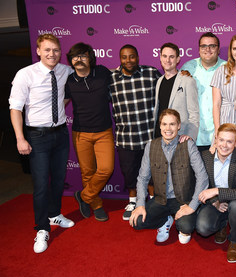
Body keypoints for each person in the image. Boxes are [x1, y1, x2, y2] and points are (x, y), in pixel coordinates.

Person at [9, 34, 74, 253]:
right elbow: (16, 108)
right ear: (38, 51)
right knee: (40, 185)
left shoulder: (66, 71)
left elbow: (67, 93)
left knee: (58, 180)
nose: (52, 54)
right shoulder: (25, 74)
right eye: (47, 50)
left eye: (55, 50)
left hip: (60, 134)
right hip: (37, 137)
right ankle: (42, 228)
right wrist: (20, 138)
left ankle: (55, 214)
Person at [129, 109, 208, 244]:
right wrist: (140, 204)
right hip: (161, 199)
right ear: (159, 126)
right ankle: (165, 221)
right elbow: (142, 178)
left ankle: (183, 224)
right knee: (137, 222)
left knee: (186, 227)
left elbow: (203, 177)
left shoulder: (188, 144)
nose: (168, 128)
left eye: (172, 124)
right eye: (164, 124)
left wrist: (192, 206)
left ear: (178, 126)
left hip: (184, 201)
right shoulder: (151, 146)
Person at [109, 44, 162, 221]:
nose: (128, 60)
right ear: (120, 59)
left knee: (153, 173)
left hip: (149, 137)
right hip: (126, 138)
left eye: (132, 56)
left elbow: (168, 84)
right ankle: (132, 201)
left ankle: (153, 201)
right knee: (130, 173)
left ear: (138, 57)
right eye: (124, 57)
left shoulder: (151, 73)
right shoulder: (111, 78)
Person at [65, 42, 114, 222]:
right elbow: (61, 104)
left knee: (106, 168)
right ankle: (96, 204)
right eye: (75, 56)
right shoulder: (69, 82)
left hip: (103, 132)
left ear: (90, 58)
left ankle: (83, 196)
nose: (79, 59)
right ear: (71, 59)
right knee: (87, 172)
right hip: (80, 133)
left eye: (83, 56)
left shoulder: (102, 72)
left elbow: (121, 71)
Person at [196, 123, 236, 263]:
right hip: (214, 201)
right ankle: (222, 224)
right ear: (215, 139)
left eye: (229, 141)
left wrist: (217, 192)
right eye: (221, 140)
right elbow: (200, 186)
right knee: (203, 228)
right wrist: (214, 201)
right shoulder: (205, 157)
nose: (224, 145)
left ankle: (235, 241)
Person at [181, 32, 226, 152]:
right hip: (193, 135)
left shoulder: (227, 68)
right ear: (199, 49)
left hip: (220, 137)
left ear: (218, 49)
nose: (208, 49)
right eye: (204, 46)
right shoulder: (188, 67)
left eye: (212, 46)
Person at [154, 43, 199, 141]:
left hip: (180, 138)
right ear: (160, 58)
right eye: (164, 56)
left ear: (178, 59)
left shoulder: (187, 81)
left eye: (171, 57)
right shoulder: (159, 81)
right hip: (160, 137)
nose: (167, 60)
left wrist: (190, 136)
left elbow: (194, 114)